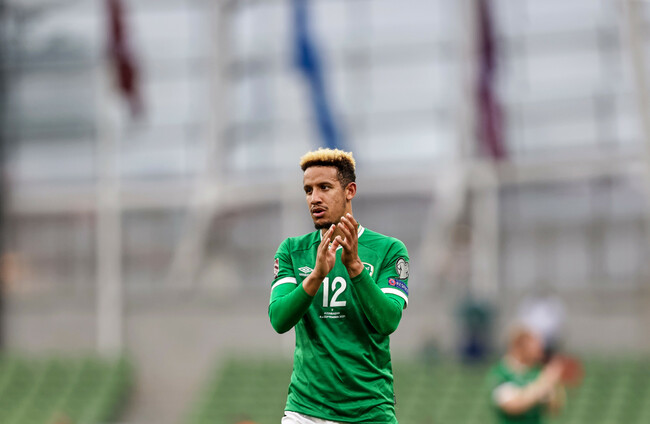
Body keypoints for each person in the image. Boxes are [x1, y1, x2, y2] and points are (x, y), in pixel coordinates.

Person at [269, 148, 410, 424]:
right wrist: (316, 276)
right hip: (305, 411)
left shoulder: (389, 250)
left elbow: (388, 321)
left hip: (369, 411)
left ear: (350, 191)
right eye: (308, 190)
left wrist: (355, 266)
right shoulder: (292, 250)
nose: (314, 198)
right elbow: (279, 319)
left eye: (324, 187)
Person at [487, 325, 566, 424]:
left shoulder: (538, 371)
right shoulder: (501, 373)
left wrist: (554, 386)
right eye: (535, 344)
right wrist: (544, 383)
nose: (540, 349)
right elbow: (513, 406)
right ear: (519, 345)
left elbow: (554, 409)